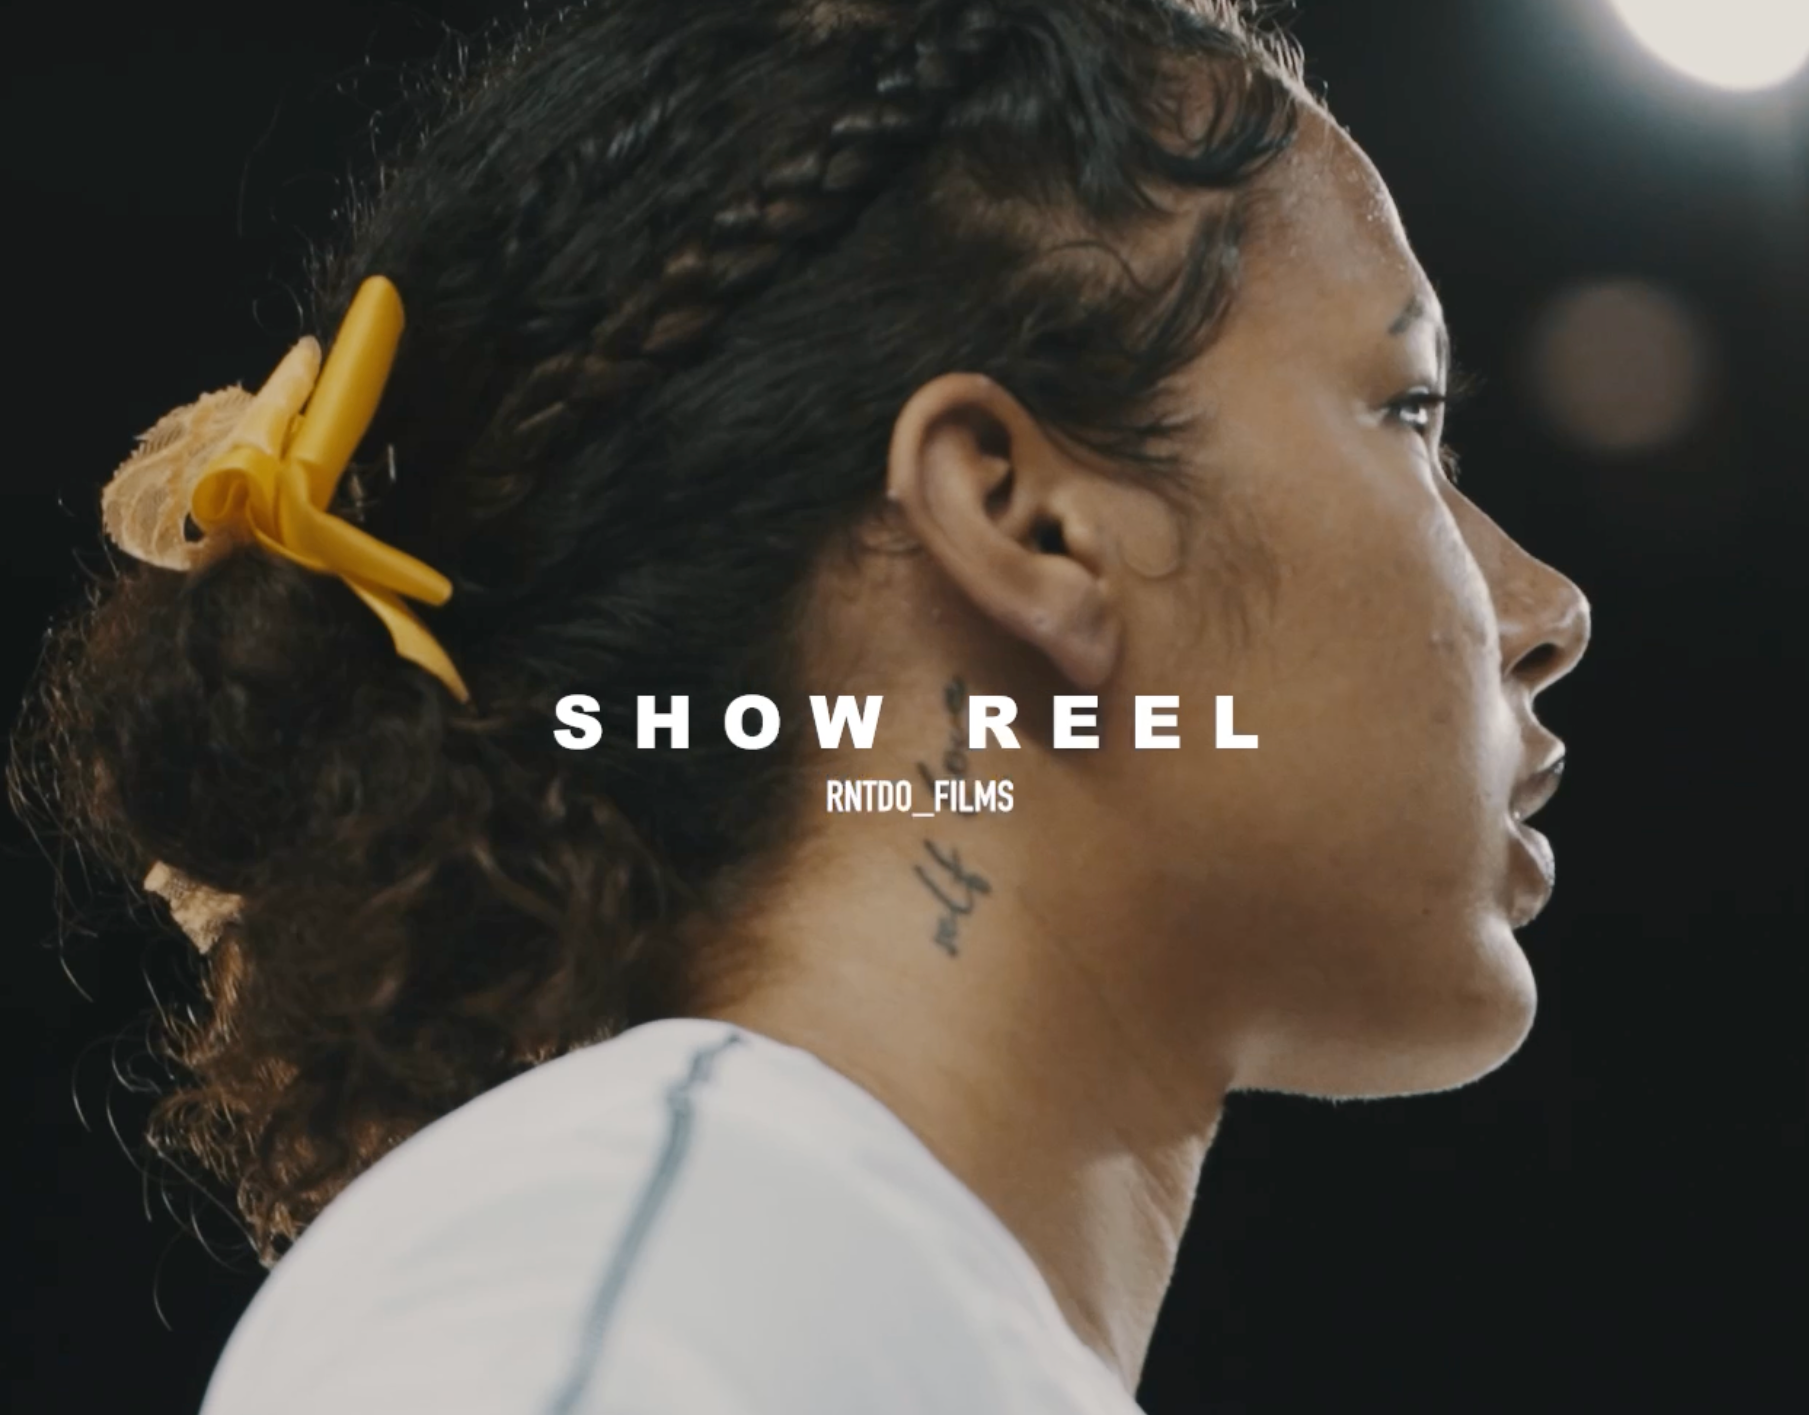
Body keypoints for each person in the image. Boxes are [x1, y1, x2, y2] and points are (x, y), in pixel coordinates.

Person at [7, 1, 1591, 1410]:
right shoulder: (644, 1287)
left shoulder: (748, 1281)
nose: (1548, 609)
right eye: (1409, 411)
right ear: (1024, 519)